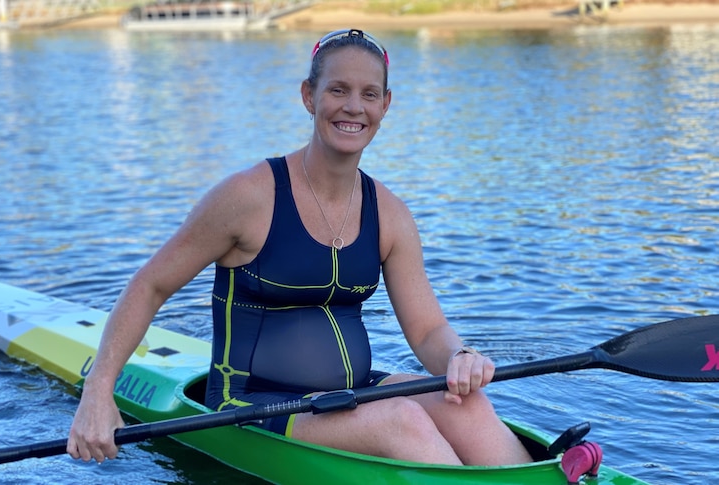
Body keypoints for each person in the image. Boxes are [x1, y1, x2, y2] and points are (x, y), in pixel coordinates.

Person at [67, 28, 532, 467]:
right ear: (309, 96)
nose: (353, 107)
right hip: (248, 401)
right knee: (402, 420)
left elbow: (429, 330)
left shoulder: (390, 214)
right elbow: (150, 284)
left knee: (464, 404)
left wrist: (459, 357)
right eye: (337, 90)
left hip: (354, 394)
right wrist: (98, 392)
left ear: (386, 105)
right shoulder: (247, 198)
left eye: (369, 94)